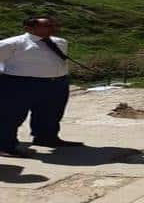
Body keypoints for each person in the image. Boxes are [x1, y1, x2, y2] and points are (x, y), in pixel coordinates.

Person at [0, 16, 83, 158]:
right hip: (20, 84)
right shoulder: (13, 43)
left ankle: (46, 138)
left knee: (51, 113)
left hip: (56, 83)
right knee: (11, 116)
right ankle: (5, 146)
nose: (53, 28)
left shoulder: (60, 42)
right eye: (47, 26)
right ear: (29, 28)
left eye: (53, 25)